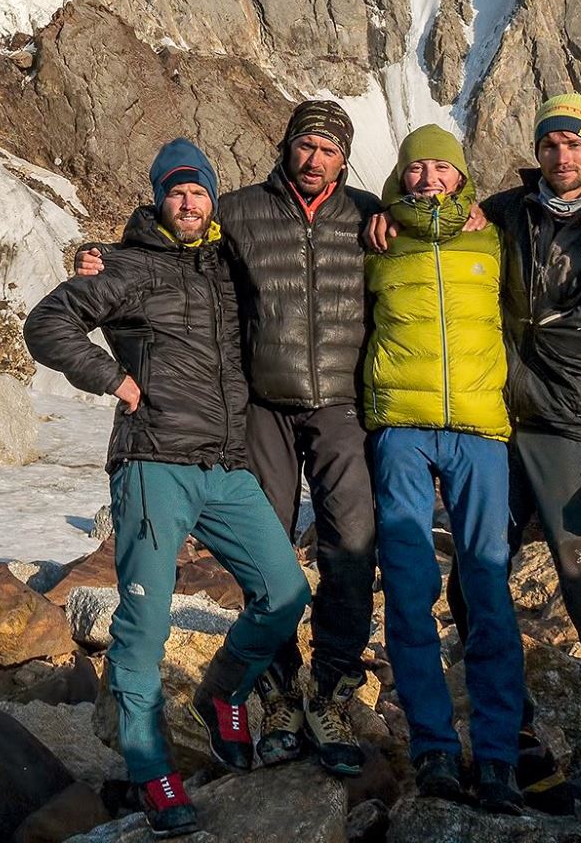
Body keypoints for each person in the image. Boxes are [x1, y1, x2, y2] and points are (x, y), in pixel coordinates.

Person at [371, 94, 581, 810]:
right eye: (551, 143)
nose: (562, 155)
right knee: (475, 586)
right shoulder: (502, 216)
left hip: (574, 435)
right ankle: (517, 745)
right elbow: (434, 232)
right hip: (493, 427)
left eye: (576, 144)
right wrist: (384, 215)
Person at [77, 99, 381, 773]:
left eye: (328, 149)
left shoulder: (367, 214)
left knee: (353, 543)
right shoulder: (236, 210)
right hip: (263, 408)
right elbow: (167, 243)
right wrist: (104, 258)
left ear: (344, 157)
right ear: (286, 147)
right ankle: (272, 691)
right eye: (305, 145)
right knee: (269, 551)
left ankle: (328, 686)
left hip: (340, 404)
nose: (314, 159)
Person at [26, 138, 312, 836]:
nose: (188, 202)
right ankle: (152, 769)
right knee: (143, 628)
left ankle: (223, 694)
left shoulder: (227, 265)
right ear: (159, 197)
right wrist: (113, 379)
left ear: (213, 200)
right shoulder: (128, 267)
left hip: (226, 466)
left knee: (285, 593)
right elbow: (48, 323)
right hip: (154, 463)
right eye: (176, 191)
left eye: (199, 191)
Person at [363, 122, 526, 814]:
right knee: (407, 589)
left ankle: (497, 756)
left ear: (462, 178)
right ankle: (432, 746)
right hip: (401, 427)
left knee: (487, 590)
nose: (429, 178)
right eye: (417, 168)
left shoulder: (494, 238)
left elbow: (524, 318)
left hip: (481, 432)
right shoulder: (379, 241)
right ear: (400, 178)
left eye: (441, 168)